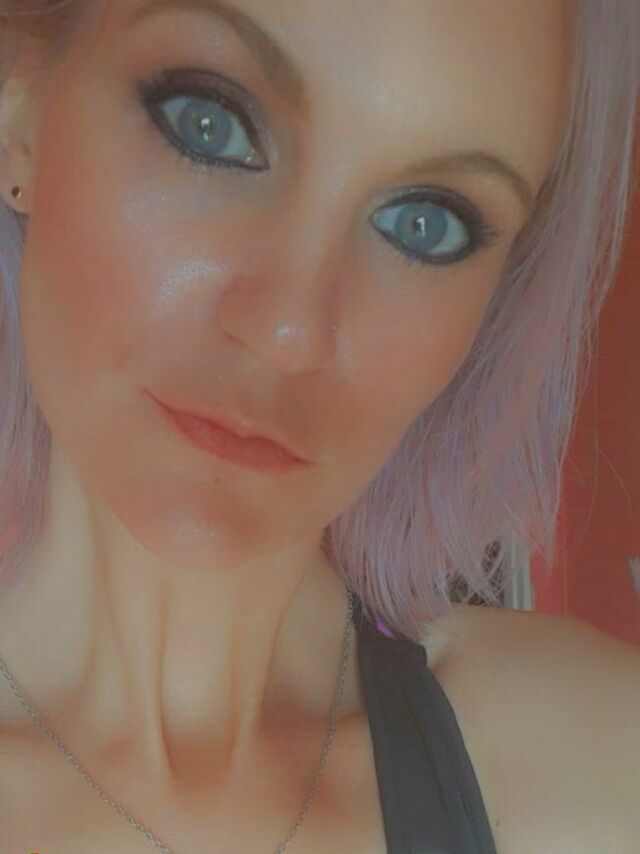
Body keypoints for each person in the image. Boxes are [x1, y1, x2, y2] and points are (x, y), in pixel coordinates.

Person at [0, 0, 638, 851]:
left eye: (426, 224)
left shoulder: (593, 770)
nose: (289, 332)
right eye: (209, 123)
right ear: (18, 110)